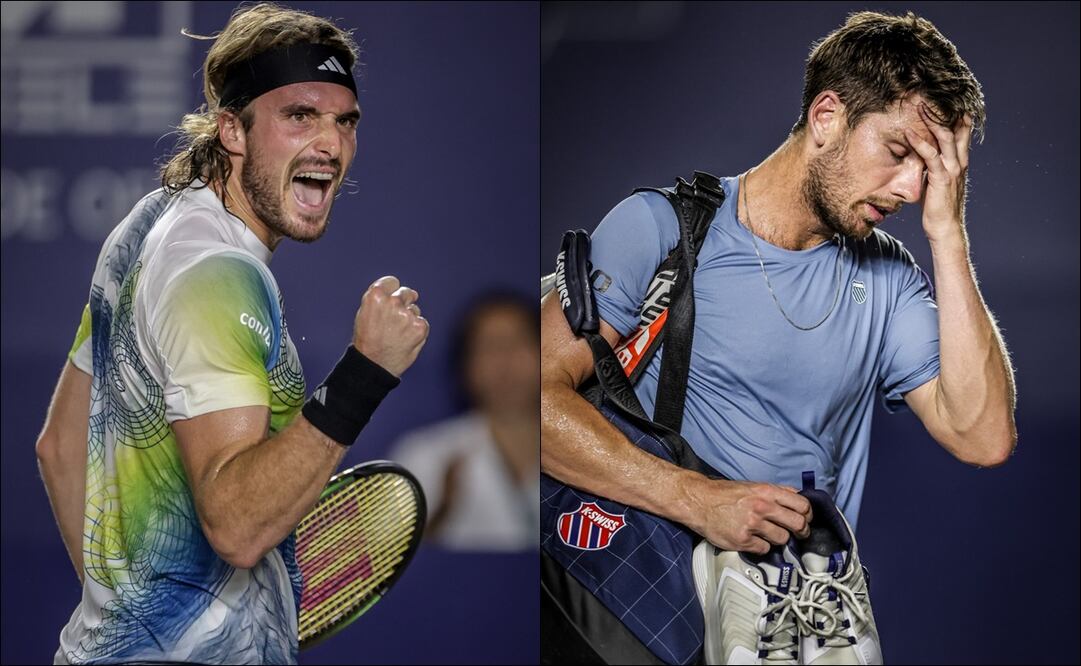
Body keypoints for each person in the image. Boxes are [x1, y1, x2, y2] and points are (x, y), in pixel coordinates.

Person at [541, 5, 1016, 645]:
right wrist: (697, 499)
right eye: (899, 151)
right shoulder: (662, 231)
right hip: (647, 611)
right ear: (827, 118)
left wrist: (948, 232)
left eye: (928, 174)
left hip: (792, 633)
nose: (909, 188)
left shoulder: (891, 281)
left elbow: (981, 437)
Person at [34, 4, 429, 664]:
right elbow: (238, 526)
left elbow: (59, 448)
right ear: (232, 131)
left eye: (344, 121)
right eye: (299, 115)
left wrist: (137, 629)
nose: (331, 146)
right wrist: (366, 370)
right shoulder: (217, 273)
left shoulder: (148, 224)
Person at [391, 293, 539, 552]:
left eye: (518, 342)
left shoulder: (582, 453)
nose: (505, 361)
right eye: (489, 347)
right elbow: (389, 569)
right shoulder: (423, 457)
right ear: (465, 367)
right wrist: (440, 514)